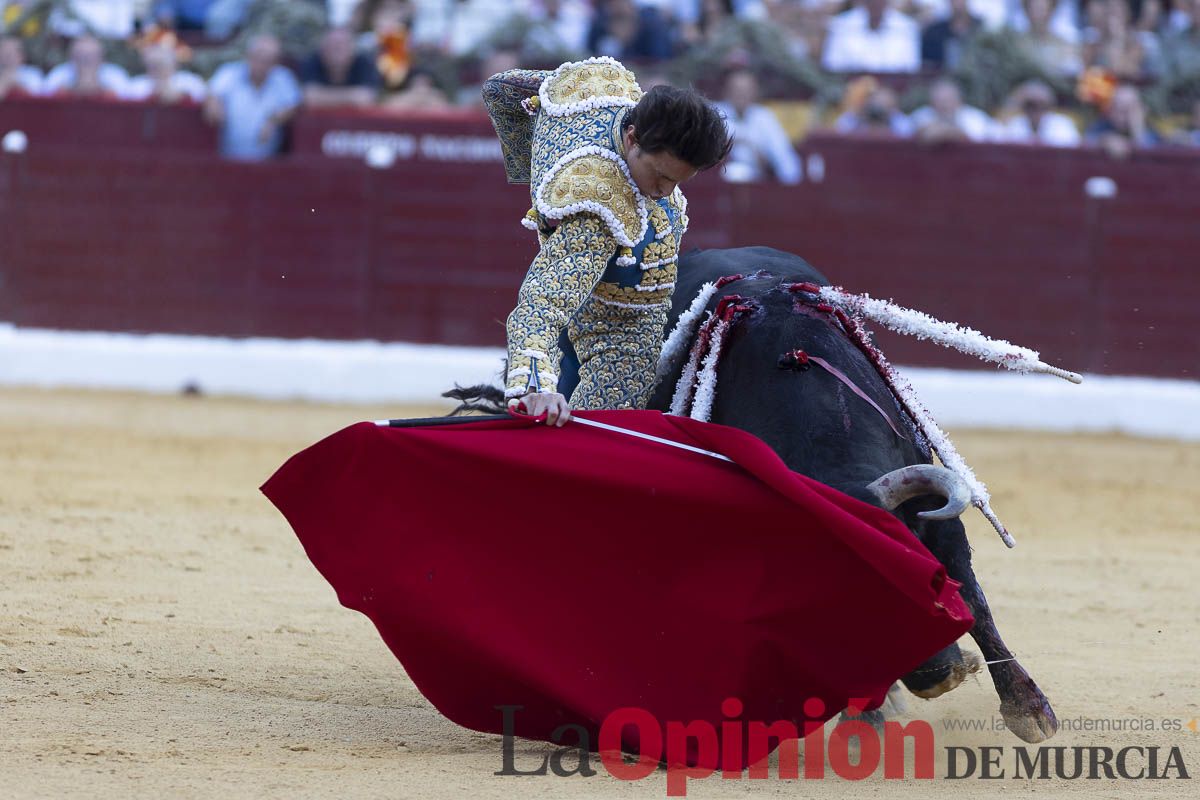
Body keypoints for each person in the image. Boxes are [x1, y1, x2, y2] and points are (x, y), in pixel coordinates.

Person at [482, 57, 731, 424]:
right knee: (600, 440)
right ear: (633, 138)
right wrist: (534, 387)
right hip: (618, 324)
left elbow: (501, 90)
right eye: (660, 175)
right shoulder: (596, 206)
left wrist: (536, 177)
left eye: (679, 181)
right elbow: (543, 302)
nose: (665, 192)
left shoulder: (601, 88)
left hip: (620, 302)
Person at [203, 34, 301, 160]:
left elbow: (294, 105)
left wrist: (273, 119)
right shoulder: (229, 73)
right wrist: (214, 104)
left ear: (275, 63)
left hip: (269, 162)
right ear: (248, 56)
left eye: (268, 60)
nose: (261, 64)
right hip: (227, 160)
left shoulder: (283, 78)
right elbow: (211, 93)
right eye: (258, 57)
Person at [711, 68, 802, 184]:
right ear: (726, 91)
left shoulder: (765, 117)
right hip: (719, 185)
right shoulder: (713, 113)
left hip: (758, 184)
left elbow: (786, 161)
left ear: (755, 92)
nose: (741, 95)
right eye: (737, 90)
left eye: (746, 90)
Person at [822, 0, 921, 73]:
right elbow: (832, 65)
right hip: (848, 89)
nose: (876, 3)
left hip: (894, 91)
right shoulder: (841, 24)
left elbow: (911, 67)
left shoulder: (907, 26)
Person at [300, 26, 380, 108]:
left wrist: (323, 96)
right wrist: (352, 96)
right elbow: (309, 97)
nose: (336, 51)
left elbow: (366, 98)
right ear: (322, 48)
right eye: (331, 45)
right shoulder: (311, 61)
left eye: (341, 46)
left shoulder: (364, 63)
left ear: (353, 49)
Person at [910, 77, 998, 142]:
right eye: (938, 101)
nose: (943, 105)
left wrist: (948, 132)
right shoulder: (922, 115)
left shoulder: (976, 118)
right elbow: (909, 132)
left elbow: (981, 139)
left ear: (959, 101)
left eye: (947, 100)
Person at [42, 35, 131, 98]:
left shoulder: (114, 95)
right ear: (72, 59)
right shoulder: (58, 93)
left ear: (102, 60)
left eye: (92, 56)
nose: (86, 61)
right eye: (81, 56)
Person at [998, 79, 1080, 146]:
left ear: (1049, 107)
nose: (1036, 110)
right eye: (1030, 105)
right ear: (1023, 107)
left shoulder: (1062, 125)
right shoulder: (1015, 125)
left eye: (1042, 105)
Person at [125, 43, 208, 104]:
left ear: (174, 64)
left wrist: (181, 96)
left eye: (161, 64)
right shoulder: (137, 84)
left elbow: (206, 96)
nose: (157, 69)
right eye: (153, 65)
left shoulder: (189, 80)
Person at [0, 34, 42, 99]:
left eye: (10, 53)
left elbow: (39, 98)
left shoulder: (32, 74)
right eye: (4, 52)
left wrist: (14, 83)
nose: (6, 57)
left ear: (22, 55)